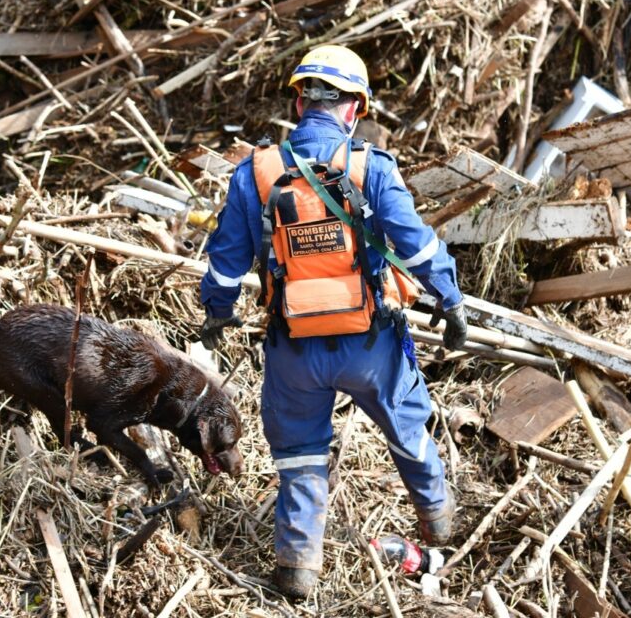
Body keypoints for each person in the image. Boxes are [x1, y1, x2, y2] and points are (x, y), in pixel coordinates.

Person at [197, 44, 469, 600]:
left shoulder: (256, 172)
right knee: (407, 428)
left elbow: (225, 266)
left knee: (300, 457)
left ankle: (298, 571)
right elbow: (417, 249)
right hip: (370, 345)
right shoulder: (372, 168)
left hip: (293, 347)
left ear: (300, 103)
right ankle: (440, 526)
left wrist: (216, 317)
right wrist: (451, 301)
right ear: (354, 110)